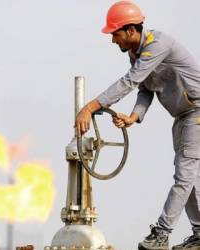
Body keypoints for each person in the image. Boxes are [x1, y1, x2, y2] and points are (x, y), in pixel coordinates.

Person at [75, 1, 200, 250]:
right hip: (182, 116)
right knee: (190, 177)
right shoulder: (137, 54)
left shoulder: (157, 44)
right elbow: (145, 88)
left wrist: (90, 107)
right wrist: (134, 117)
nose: (113, 41)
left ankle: (162, 233)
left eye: (115, 34)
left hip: (196, 113)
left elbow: (130, 82)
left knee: (184, 174)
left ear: (131, 30)